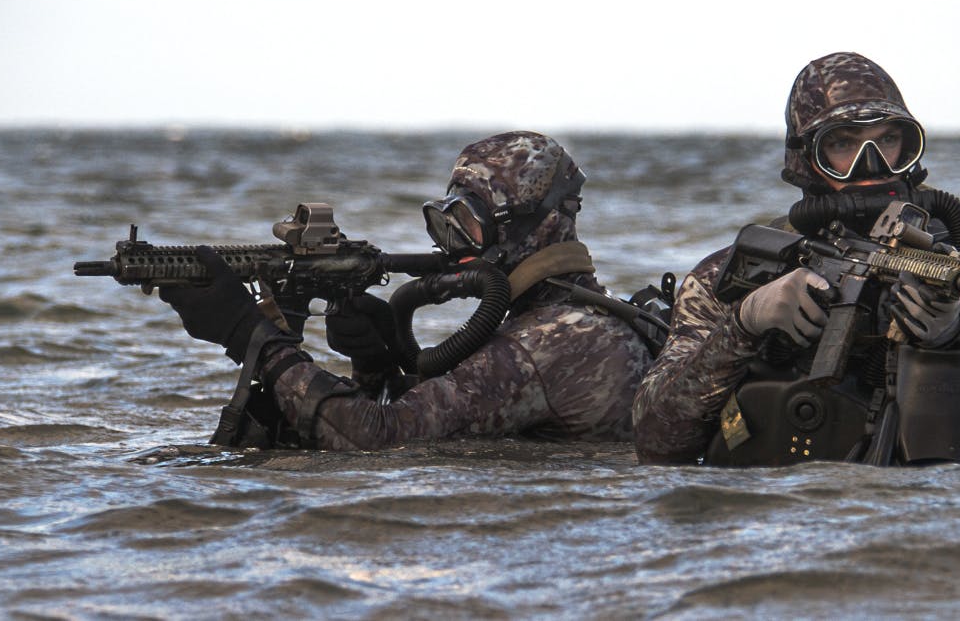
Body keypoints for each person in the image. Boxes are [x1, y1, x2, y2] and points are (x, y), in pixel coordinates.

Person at [633, 51, 960, 466]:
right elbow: (656, 442)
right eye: (842, 144)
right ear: (805, 158)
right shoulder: (731, 272)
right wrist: (743, 325)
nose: (872, 164)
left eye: (888, 140)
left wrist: (949, 343)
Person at [156, 131, 653, 451]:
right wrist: (378, 365)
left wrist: (250, 335)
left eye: (468, 223)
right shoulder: (574, 324)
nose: (456, 244)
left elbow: (376, 440)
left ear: (531, 228)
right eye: (446, 220)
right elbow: (442, 423)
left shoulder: (544, 346)